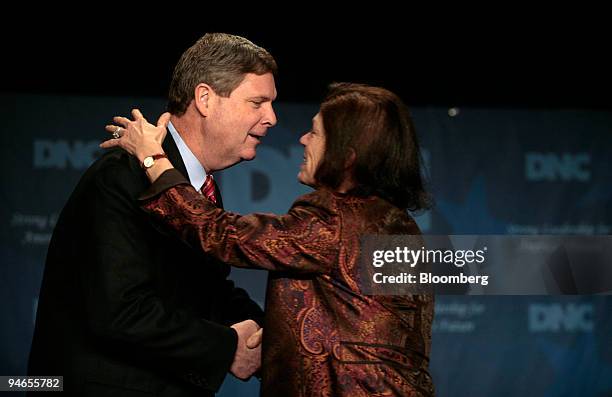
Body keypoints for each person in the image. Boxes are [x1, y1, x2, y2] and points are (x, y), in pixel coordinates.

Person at [103, 82, 435, 397]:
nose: (303, 139)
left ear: (347, 156)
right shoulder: (398, 224)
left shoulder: (334, 219)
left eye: (316, 132)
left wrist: (152, 157)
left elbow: (220, 234)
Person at [28, 33, 277, 396]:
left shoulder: (194, 187)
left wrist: (270, 338)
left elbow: (206, 290)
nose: (271, 117)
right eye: (258, 102)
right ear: (205, 98)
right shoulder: (123, 175)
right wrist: (227, 347)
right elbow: (119, 312)